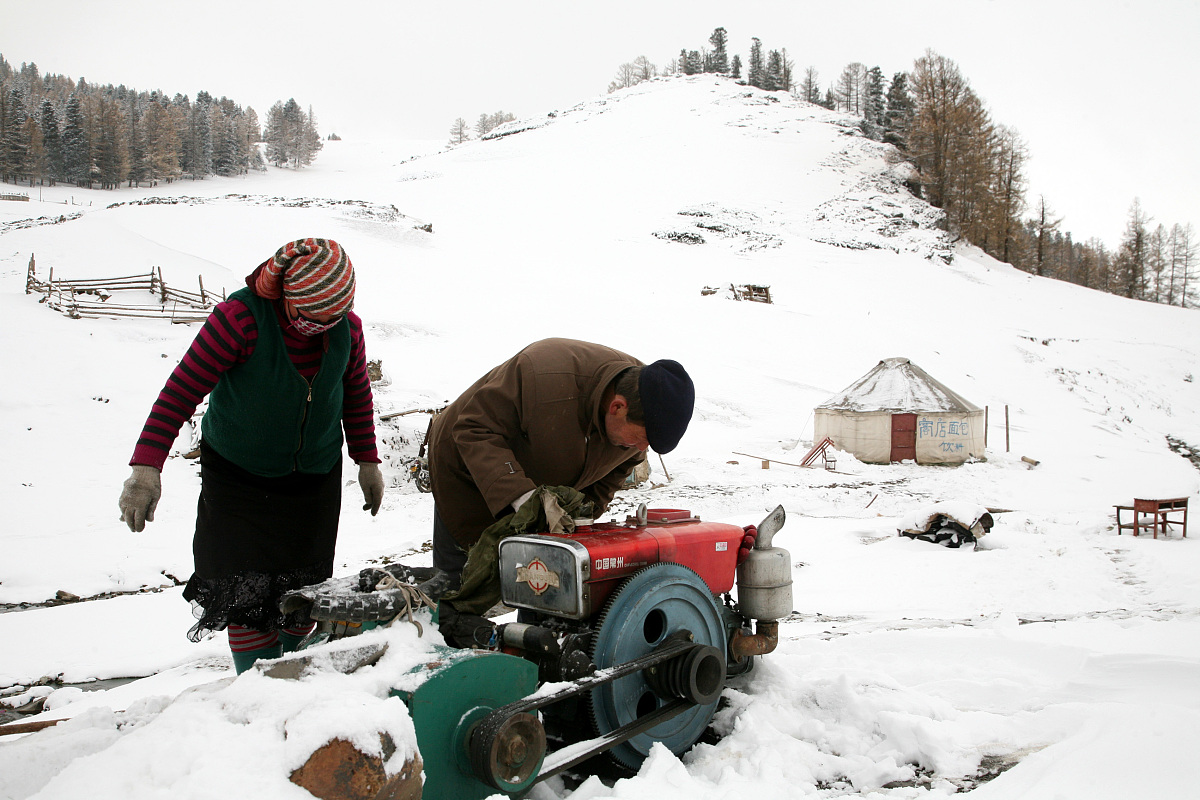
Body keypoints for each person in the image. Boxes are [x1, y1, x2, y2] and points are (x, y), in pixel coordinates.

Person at [117, 238, 384, 673]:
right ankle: (257, 686)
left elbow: (354, 394)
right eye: (313, 317)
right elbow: (180, 392)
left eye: (332, 318)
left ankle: (292, 675)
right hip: (240, 478)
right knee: (247, 597)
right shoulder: (239, 319)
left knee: (304, 594)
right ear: (289, 296)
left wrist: (367, 460)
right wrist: (145, 469)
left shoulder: (346, 329)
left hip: (313, 478)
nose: (323, 326)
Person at [425, 337, 695, 647]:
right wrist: (526, 500)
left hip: (543, 469)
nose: (641, 450)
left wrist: (577, 522)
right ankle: (448, 659)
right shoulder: (542, 374)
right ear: (617, 407)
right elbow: (473, 428)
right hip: (466, 473)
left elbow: (611, 477)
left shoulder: (638, 416)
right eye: (641, 439)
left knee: (544, 578)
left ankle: (533, 651)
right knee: (459, 590)